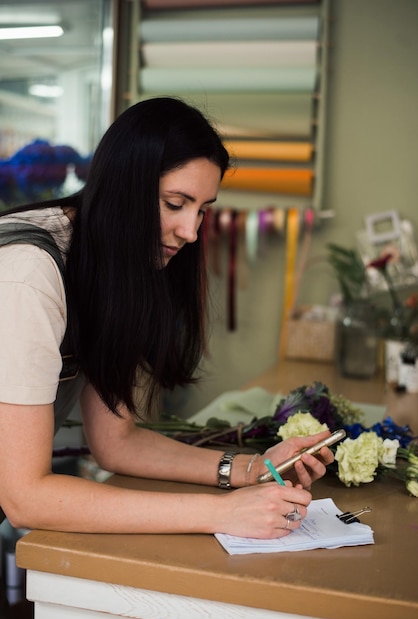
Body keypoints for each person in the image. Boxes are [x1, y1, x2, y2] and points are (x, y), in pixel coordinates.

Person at [0, 97, 333, 544]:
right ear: (123, 188)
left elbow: (116, 441)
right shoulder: (28, 275)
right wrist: (223, 513)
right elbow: (24, 498)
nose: (191, 231)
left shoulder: (111, 263)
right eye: (175, 203)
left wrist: (253, 470)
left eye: (201, 209)